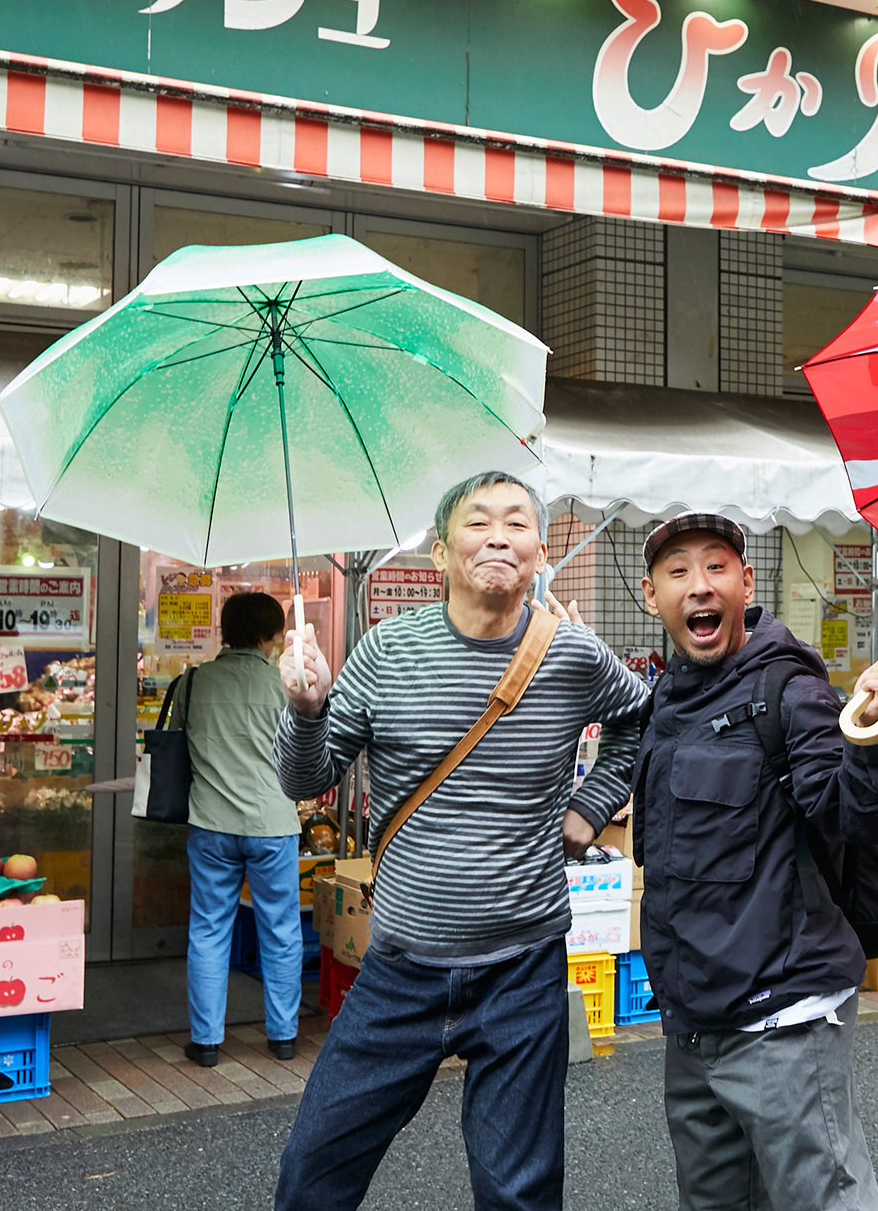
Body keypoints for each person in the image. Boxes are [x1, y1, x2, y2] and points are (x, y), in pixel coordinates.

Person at [271, 471, 651, 1211]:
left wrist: (589, 807)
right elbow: (304, 778)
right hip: (401, 970)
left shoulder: (572, 655)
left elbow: (640, 721)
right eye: (478, 523)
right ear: (440, 552)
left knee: (520, 1192)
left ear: (541, 552)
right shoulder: (388, 650)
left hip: (523, 967)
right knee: (312, 1175)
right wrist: (307, 707)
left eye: (517, 523)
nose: (499, 536)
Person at [633, 513, 878, 1211]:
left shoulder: (788, 690)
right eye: (678, 572)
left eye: (716, 566)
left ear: (746, 581)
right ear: (650, 595)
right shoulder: (665, 698)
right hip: (694, 1026)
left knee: (826, 1199)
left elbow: (855, 813)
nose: (699, 585)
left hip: (784, 1021)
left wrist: (873, 732)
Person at [174, 589, 303, 1068]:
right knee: (282, 930)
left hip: (210, 822)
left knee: (208, 930)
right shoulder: (284, 686)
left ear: (226, 632)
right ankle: (284, 1036)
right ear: (269, 636)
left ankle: (206, 1042)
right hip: (272, 824)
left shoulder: (194, 682)